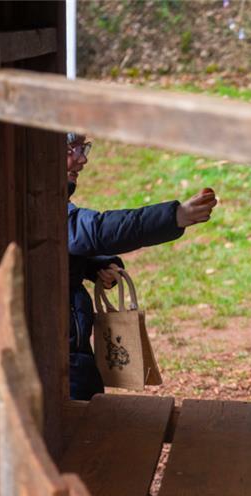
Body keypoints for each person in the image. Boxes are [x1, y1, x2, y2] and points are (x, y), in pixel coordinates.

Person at [67, 133, 217, 400]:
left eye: (83, 147)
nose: (82, 158)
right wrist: (176, 216)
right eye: (72, 148)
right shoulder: (34, 202)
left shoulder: (33, 199)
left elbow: (57, 245)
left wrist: (97, 266)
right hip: (63, 361)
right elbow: (96, 231)